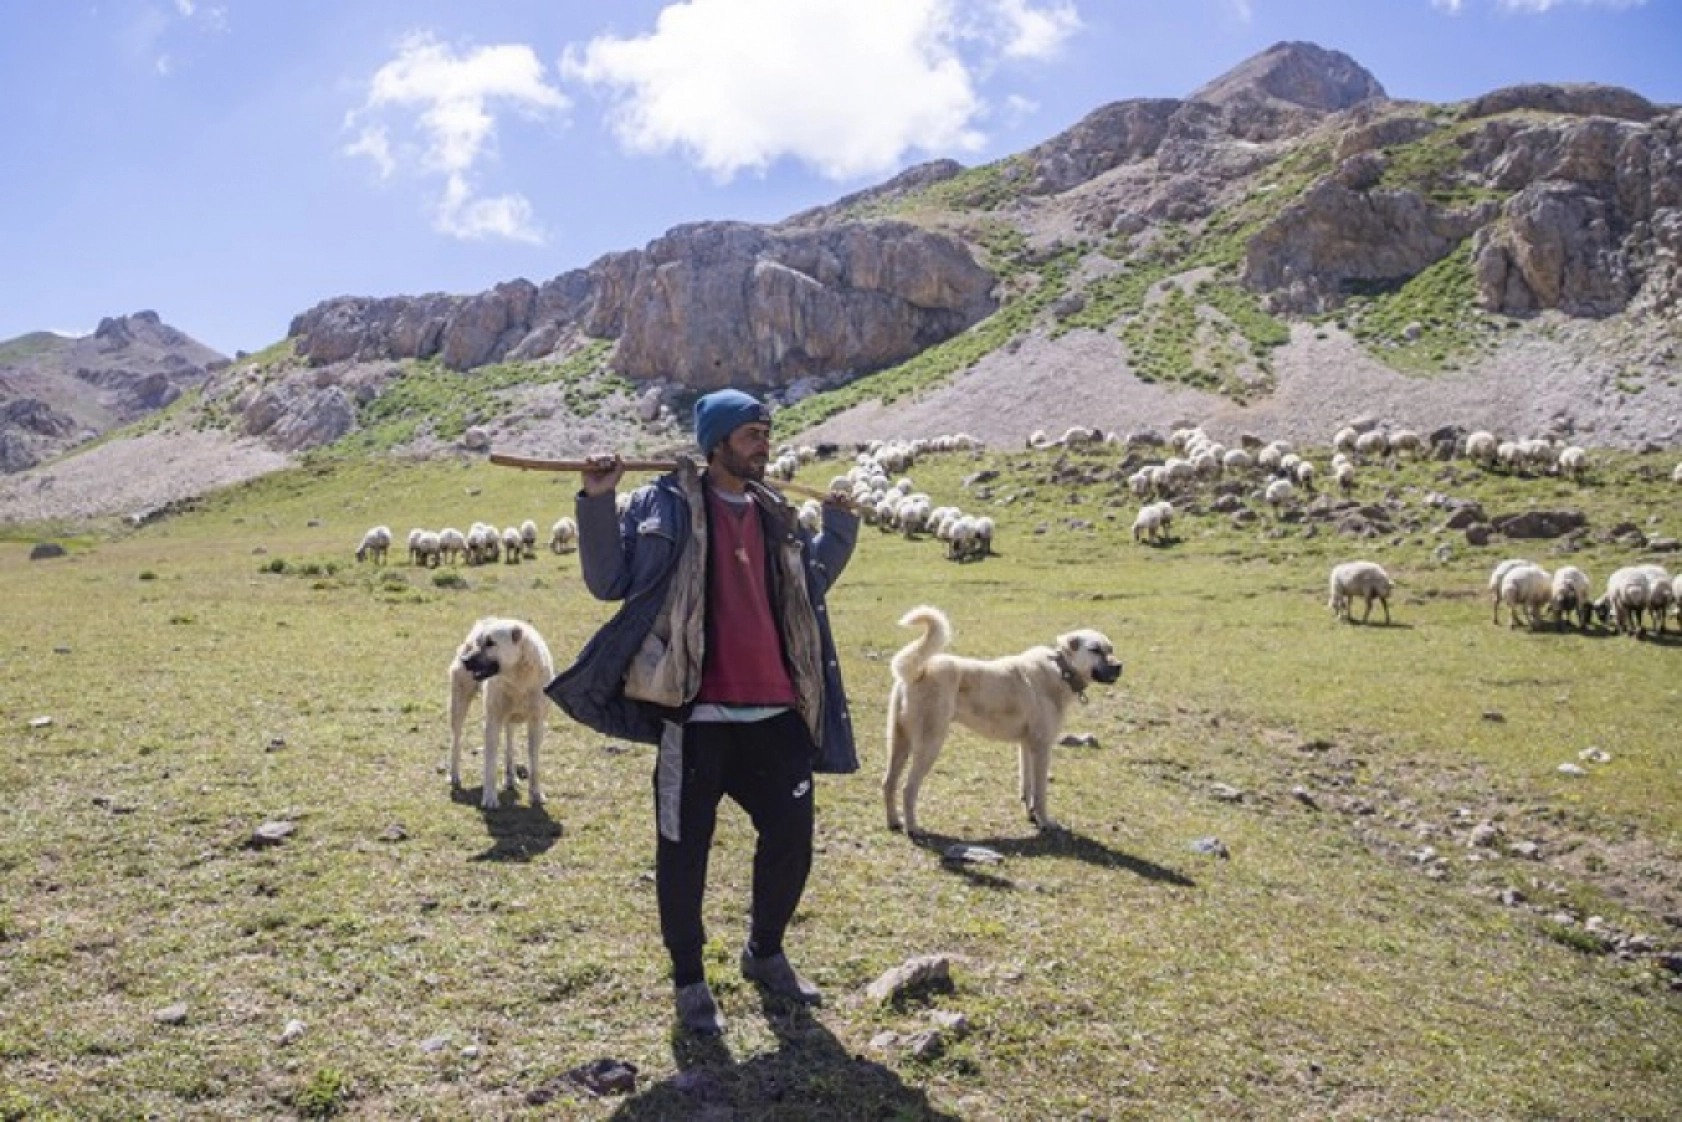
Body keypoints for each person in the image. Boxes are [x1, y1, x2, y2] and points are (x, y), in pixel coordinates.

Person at [546, 388, 860, 1036]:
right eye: (750, 434)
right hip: (691, 714)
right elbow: (608, 581)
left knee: (791, 840)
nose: (763, 445)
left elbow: (810, 585)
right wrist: (597, 500)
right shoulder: (662, 504)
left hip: (776, 712)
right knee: (683, 849)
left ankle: (765, 951)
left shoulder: (777, 513)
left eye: (766, 433)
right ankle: (689, 980)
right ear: (717, 443)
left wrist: (839, 530)